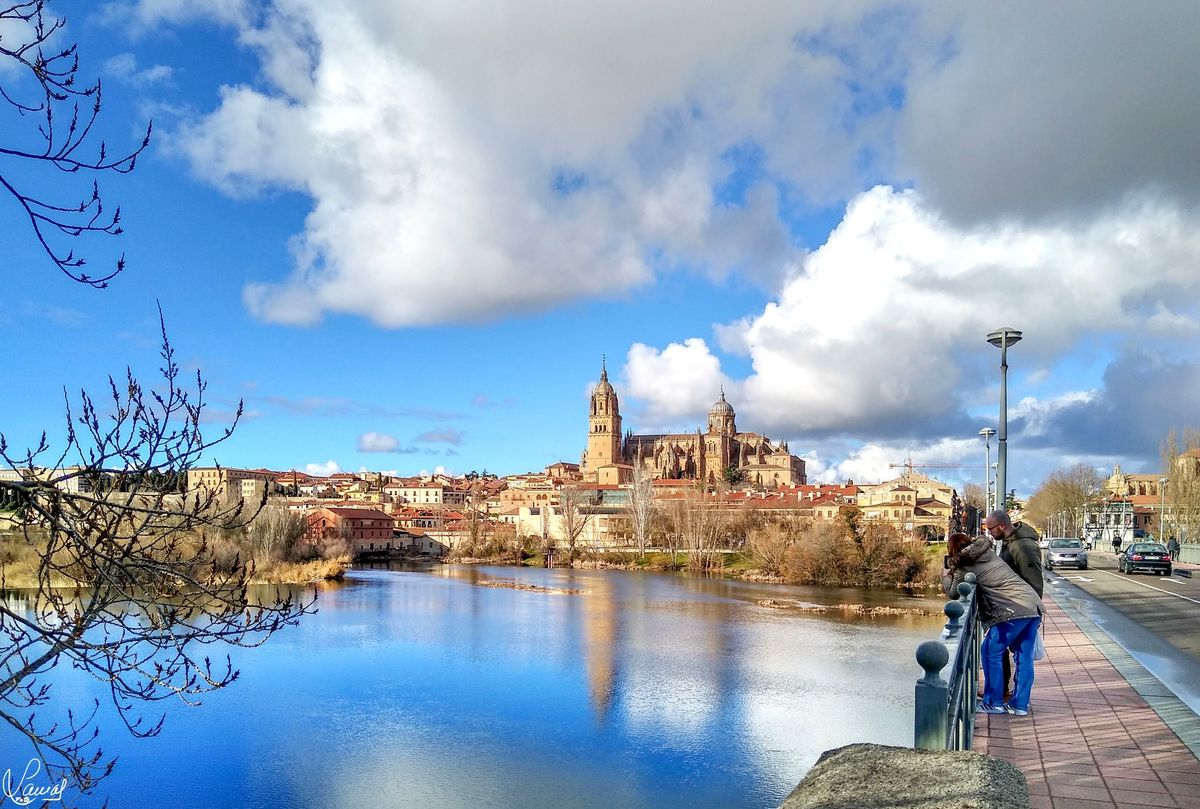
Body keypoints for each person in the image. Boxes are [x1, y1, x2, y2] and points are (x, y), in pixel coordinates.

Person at [943, 531, 1042, 716]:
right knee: (1024, 658)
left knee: (989, 651)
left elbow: (954, 592)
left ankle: (993, 702)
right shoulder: (986, 552)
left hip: (1012, 610)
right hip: (1032, 605)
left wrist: (946, 572)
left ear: (953, 550)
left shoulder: (964, 564)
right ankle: (1020, 705)